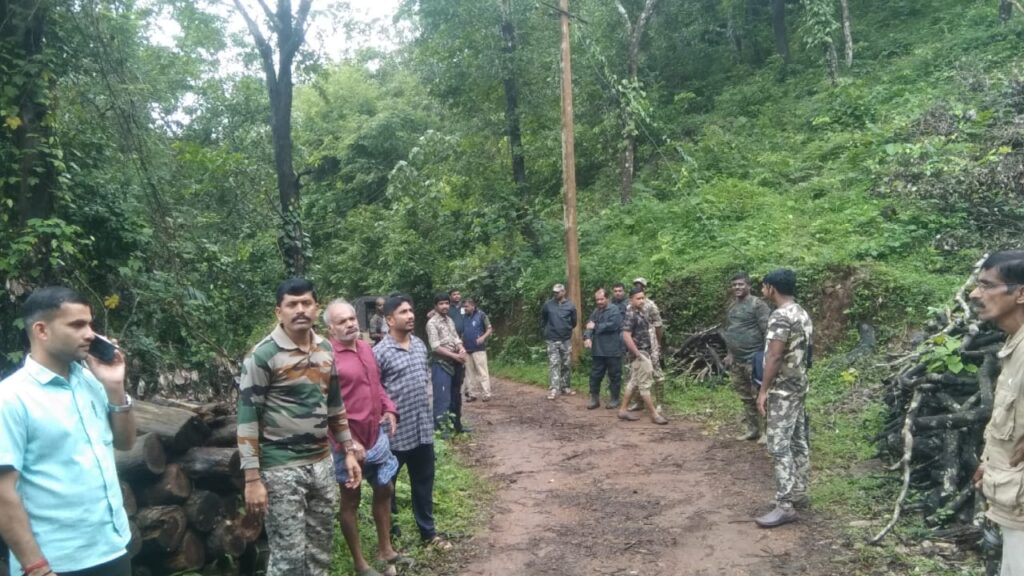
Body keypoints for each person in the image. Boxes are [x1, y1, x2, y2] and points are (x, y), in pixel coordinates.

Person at [0, 287, 136, 576]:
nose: (90, 334)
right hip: (57, 561)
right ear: (41, 330)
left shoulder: (90, 380)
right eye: (77, 325)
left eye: (90, 324)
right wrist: (36, 567)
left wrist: (115, 387)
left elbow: (125, 443)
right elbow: (3, 493)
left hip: (113, 546)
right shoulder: (11, 398)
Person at [237, 279, 361, 576]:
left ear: (317, 308)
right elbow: (248, 418)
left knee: (320, 551)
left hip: (321, 463)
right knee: (288, 558)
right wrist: (252, 479)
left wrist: (348, 450)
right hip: (281, 468)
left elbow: (335, 405)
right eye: (292, 304)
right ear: (278, 312)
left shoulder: (325, 349)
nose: (300, 310)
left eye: (306, 303)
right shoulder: (263, 355)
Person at [323, 300, 410, 576]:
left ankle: (386, 550)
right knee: (351, 500)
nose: (350, 324)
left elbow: (377, 386)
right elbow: (324, 408)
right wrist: (347, 443)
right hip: (348, 444)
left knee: (385, 488)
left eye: (352, 318)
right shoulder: (326, 358)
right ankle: (360, 563)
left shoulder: (365, 348)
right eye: (342, 321)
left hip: (375, 436)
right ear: (330, 328)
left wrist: (390, 409)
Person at [375, 295, 452, 550]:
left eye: (411, 310)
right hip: (394, 434)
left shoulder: (419, 345)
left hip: (422, 431)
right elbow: (375, 392)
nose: (410, 316)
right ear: (389, 319)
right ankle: (391, 537)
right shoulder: (379, 353)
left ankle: (428, 533)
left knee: (423, 483)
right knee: (387, 487)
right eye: (403, 312)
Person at [970, 251, 1024, 575]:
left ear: (1020, 293)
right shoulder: (1015, 343)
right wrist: (989, 462)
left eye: (988, 286)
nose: (975, 294)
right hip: (1011, 498)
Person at [755, 269, 813, 528]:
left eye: (763, 286)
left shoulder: (780, 316)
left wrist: (763, 390)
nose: (762, 291)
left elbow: (775, 355)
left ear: (772, 288)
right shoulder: (800, 312)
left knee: (778, 446)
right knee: (798, 440)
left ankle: (785, 505)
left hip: (783, 390)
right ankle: (799, 491)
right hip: (799, 385)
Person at [721, 272, 771, 441]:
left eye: (741, 284)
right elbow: (729, 330)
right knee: (745, 397)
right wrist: (730, 353)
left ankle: (767, 432)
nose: (737, 287)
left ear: (748, 286)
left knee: (761, 396)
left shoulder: (758, 305)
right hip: (737, 360)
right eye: (734, 285)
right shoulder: (731, 306)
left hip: (754, 359)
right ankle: (753, 429)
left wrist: (765, 357)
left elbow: (767, 332)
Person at [619, 287, 669, 425]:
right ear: (631, 300)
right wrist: (637, 353)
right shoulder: (631, 314)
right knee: (645, 385)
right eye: (638, 298)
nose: (641, 301)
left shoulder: (641, 312)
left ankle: (623, 410)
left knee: (633, 382)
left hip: (645, 351)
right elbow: (626, 335)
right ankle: (654, 414)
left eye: (643, 298)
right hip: (641, 353)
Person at [425, 292, 470, 433]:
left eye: (446, 303)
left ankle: (457, 426)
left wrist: (461, 348)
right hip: (441, 364)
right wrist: (454, 356)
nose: (444, 306)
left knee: (456, 396)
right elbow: (435, 347)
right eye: (441, 304)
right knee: (442, 398)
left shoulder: (449, 320)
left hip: (455, 363)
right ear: (435, 306)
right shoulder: (432, 323)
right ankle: (442, 431)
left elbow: (455, 338)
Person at [628, 278, 666, 414]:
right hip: (636, 341)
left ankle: (660, 403)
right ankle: (639, 402)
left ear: (645, 288)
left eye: (641, 285)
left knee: (656, 372)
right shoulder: (629, 306)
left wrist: (658, 343)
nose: (639, 286)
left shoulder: (650, 305)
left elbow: (658, 325)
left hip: (650, 340)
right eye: (636, 285)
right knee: (636, 371)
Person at [584, 287, 624, 409]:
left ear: (607, 298)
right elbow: (589, 326)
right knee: (595, 375)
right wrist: (587, 337)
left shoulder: (614, 310)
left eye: (601, 299)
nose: (599, 302)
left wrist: (596, 326)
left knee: (614, 375)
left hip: (613, 349)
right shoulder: (596, 311)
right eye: (597, 300)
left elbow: (613, 325)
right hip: (598, 350)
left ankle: (614, 399)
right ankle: (594, 399)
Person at [542, 283, 577, 400]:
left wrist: (566, 330)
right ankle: (554, 389)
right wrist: (548, 331)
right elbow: (544, 319)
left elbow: (574, 322)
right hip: (552, 339)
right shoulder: (548, 305)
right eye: (554, 292)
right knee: (554, 363)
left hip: (565, 340)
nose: (555, 294)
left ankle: (565, 386)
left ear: (563, 292)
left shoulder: (570, 306)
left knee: (566, 363)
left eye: (557, 292)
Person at [461, 296, 494, 402]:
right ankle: (472, 394)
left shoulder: (481, 315)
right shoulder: (463, 316)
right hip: (467, 349)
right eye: (464, 306)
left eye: (467, 306)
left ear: (473, 306)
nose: (465, 308)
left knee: (482, 372)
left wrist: (483, 337)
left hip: (479, 348)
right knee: (469, 373)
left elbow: (489, 329)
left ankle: (487, 394)